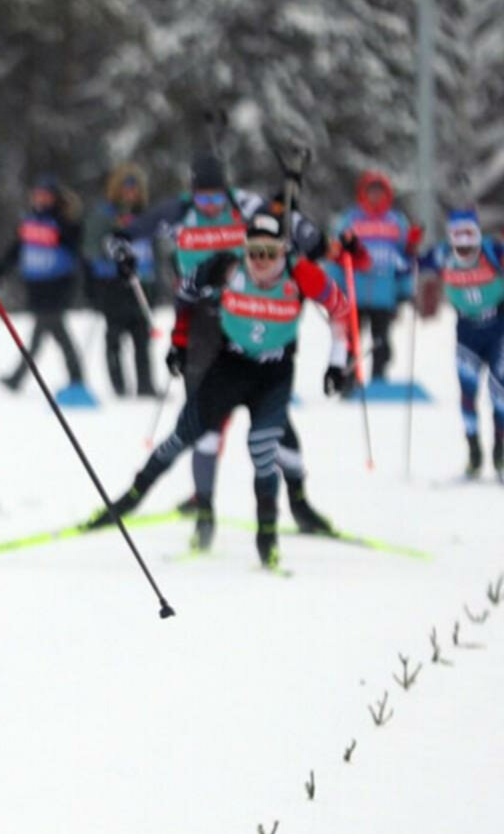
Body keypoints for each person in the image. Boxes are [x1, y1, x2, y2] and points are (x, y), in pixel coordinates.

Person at [90, 211, 356, 567]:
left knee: (263, 446)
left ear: (284, 251)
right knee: (184, 435)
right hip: (230, 367)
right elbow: (185, 293)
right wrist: (179, 343)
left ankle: (267, 539)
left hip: (274, 374)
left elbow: (341, 310)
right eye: (254, 252)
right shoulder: (228, 269)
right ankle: (127, 501)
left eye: (270, 253)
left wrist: (338, 361)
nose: (261, 262)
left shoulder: (301, 273)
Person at [122, 151, 338, 539]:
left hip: (251, 315)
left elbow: (296, 230)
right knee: (203, 418)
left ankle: (300, 503)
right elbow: (131, 231)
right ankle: (204, 508)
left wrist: (316, 239)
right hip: (203, 321)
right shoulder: (179, 210)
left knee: (273, 421)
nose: (209, 205)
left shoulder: (244, 203)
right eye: (202, 197)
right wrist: (120, 248)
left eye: (216, 196)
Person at [417, 208, 504, 479]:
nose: (464, 248)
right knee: (467, 393)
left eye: (470, 241)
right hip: (466, 331)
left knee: (500, 393)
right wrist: (411, 247)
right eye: (459, 241)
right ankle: (474, 452)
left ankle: (501, 453)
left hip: (498, 328)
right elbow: (414, 265)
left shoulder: (493, 252)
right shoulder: (442, 254)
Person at [0, 173, 86, 392]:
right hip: (36, 287)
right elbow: (16, 250)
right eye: (38, 195)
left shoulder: (64, 221)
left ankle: (22, 378)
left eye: (45, 196)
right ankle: (75, 377)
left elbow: (76, 248)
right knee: (53, 332)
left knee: (50, 330)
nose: (40, 200)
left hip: (58, 285)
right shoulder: (29, 221)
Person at [325, 171, 418, 382]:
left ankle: (378, 379)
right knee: (350, 340)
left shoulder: (396, 222)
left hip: (384, 294)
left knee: (381, 340)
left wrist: (404, 290)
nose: (375, 197)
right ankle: (347, 380)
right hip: (353, 291)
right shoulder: (350, 219)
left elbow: (403, 258)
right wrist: (334, 288)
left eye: (380, 192)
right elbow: (336, 254)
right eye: (371, 192)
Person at [83, 162, 157, 396]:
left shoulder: (146, 215)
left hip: (142, 284)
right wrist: (110, 256)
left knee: (142, 339)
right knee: (114, 336)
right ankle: (119, 388)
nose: (130, 193)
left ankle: (146, 386)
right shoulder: (105, 215)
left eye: (134, 188)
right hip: (113, 284)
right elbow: (91, 248)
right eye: (125, 188)